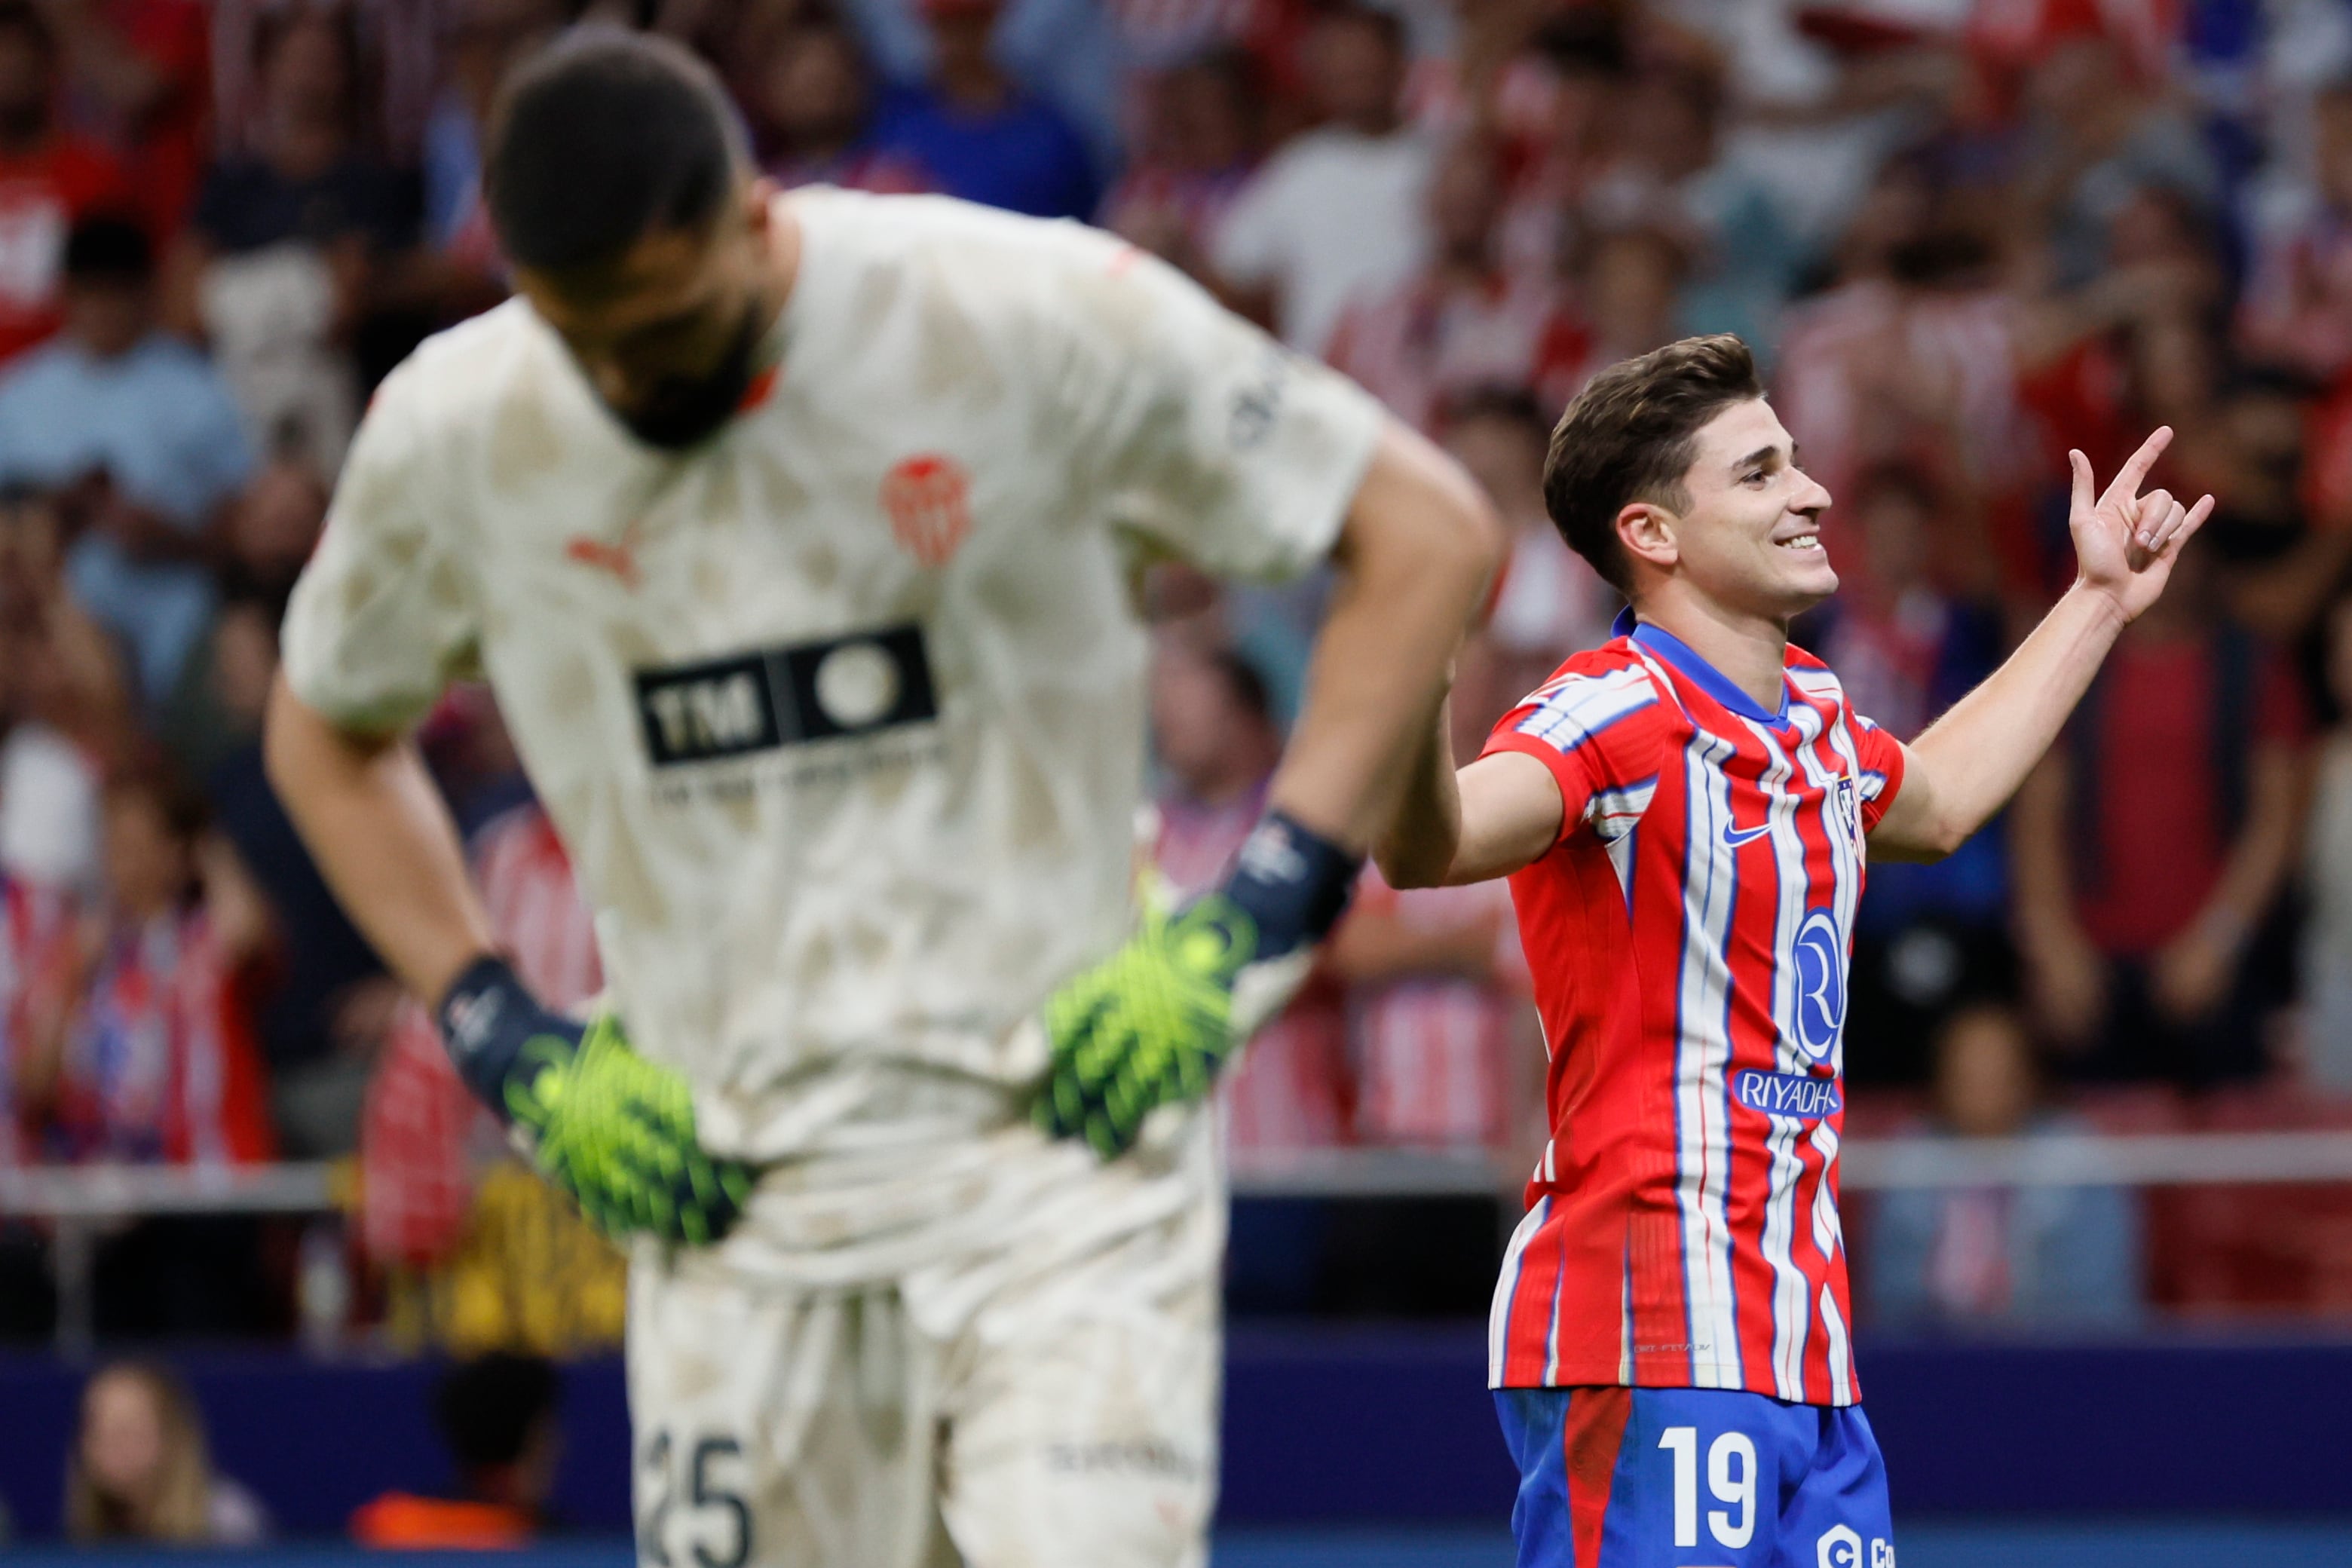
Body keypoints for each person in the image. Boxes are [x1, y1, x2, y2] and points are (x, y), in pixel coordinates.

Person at [265, 29, 1497, 1568]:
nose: (639, 377)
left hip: (1056, 1158)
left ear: (758, 217)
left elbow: (1423, 529)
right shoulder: (463, 428)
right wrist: (498, 1030)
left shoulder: (1017, 309)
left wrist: (1262, 908)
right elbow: (324, 728)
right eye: (597, 344)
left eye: (672, 323)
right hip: (732, 1202)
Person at [1374, 334, 2207, 1565]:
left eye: (1797, 462)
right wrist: (1412, 686)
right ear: (1653, 536)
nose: (1813, 493)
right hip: (1645, 1317)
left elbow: (1938, 799)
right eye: (1761, 473)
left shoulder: (1815, 716)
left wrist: (2093, 602)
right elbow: (1430, 846)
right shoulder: (1605, 713)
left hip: (1802, 1342)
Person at [0, 214, 256, 707]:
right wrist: (53, 512)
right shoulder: (18, 394)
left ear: (147, 293)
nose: (104, 311)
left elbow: (244, 532)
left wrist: (175, 539)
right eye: (91, 294)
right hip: (49, 659)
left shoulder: (198, 388)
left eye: (118, 293)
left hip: (183, 637)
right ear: (66, 294)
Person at [1865, 1003, 2142, 1331]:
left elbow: (2099, 1297)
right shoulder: (1910, 1159)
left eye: (1997, 1071)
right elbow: (1890, 1295)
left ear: (2027, 1075)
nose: (1983, 1086)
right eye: (1967, 1072)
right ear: (1942, 1078)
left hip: (2050, 1358)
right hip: (1935, 1359)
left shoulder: (2077, 1159)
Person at [351, 1352, 564, 1547]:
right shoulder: (553, 1545)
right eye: (546, 1431)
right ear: (530, 1441)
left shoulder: (391, 1525)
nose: (559, 1447)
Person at [66, 1360, 269, 1545]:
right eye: (97, 1426)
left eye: (129, 1428)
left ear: (172, 1436)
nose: (110, 1442)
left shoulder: (229, 1526)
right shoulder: (85, 1535)